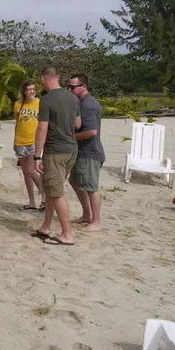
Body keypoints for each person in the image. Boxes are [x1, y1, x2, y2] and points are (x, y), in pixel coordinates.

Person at [31, 66, 81, 246]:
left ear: (43, 79)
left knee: (57, 193)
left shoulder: (46, 100)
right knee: (52, 190)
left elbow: (42, 128)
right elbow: (77, 123)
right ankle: (46, 227)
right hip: (71, 150)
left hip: (55, 152)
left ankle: (67, 234)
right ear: (58, 78)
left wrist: (37, 156)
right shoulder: (73, 98)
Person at [67, 73, 106, 232]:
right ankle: (87, 215)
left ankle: (96, 222)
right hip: (82, 152)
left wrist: (71, 137)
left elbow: (92, 132)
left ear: (83, 87)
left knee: (91, 187)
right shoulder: (81, 103)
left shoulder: (88, 105)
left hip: (90, 152)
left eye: (72, 87)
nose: (69, 89)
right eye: (68, 86)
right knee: (75, 182)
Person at [14, 79, 44, 211]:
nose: (31, 92)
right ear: (24, 91)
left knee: (31, 171)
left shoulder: (40, 103)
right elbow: (18, 123)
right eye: (28, 89)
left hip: (33, 142)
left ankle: (45, 197)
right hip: (20, 142)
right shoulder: (18, 104)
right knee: (26, 173)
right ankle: (32, 202)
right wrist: (15, 141)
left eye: (33, 89)